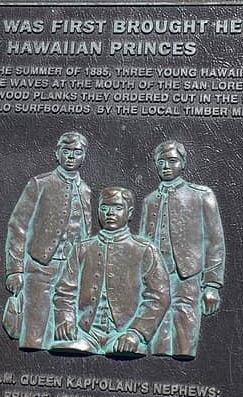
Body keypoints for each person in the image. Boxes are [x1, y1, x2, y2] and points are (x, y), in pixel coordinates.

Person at [53, 187, 169, 357]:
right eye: (105, 207)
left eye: (117, 207)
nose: (110, 213)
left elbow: (159, 297)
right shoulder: (82, 249)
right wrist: (65, 319)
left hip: (124, 336)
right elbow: (64, 290)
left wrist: (136, 333)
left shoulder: (145, 250)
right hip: (85, 334)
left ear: (129, 213)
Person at [139, 139, 225, 359]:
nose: (166, 166)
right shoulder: (150, 201)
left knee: (184, 335)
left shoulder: (201, 195)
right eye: (161, 162)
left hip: (187, 276)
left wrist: (212, 285)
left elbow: (214, 241)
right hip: (154, 277)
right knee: (156, 335)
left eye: (172, 161)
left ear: (183, 163)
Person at [4, 132, 91, 350]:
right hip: (41, 268)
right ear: (57, 153)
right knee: (34, 332)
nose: (71, 156)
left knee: (65, 336)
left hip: (72, 273)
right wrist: (15, 270)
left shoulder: (86, 191)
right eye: (66, 151)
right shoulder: (39, 184)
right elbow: (18, 226)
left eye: (77, 152)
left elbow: (85, 235)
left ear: (84, 157)